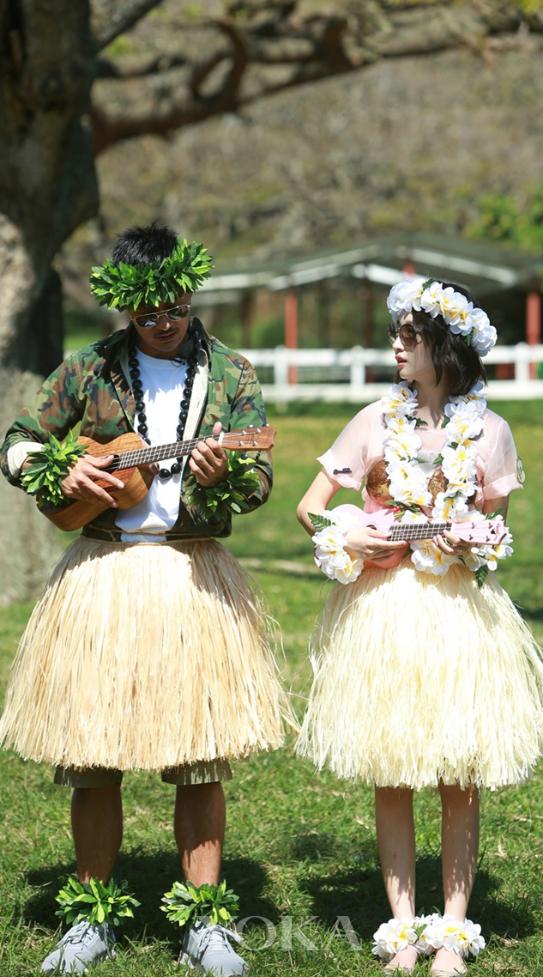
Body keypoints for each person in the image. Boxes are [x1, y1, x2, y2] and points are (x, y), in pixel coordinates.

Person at [0, 223, 289, 975]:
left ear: (190, 295)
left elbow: (255, 485)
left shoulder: (230, 374)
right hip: (102, 573)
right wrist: (57, 473)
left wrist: (221, 470)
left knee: (199, 757)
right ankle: (91, 916)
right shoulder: (87, 368)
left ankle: (205, 919)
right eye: (146, 313)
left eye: (173, 308)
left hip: (192, 575)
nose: (162, 322)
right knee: (93, 754)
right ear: (125, 307)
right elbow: (19, 439)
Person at [295, 277, 543, 977]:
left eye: (409, 336)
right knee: (393, 766)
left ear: (445, 346)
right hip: (388, 611)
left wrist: (477, 542)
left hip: (459, 614)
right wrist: (350, 539)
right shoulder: (374, 420)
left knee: (459, 772)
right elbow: (311, 507)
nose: (395, 346)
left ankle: (454, 930)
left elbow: (496, 529)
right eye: (395, 336)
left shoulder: (489, 431)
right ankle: (401, 927)